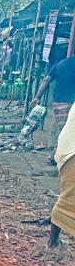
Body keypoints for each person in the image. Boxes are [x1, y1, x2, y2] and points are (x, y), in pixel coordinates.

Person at [31, 53, 75, 147]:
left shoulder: (59, 63)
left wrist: (37, 97)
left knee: (65, 130)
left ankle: (55, 155)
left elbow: (46, 81)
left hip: (59, 102)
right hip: (71, 102)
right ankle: (55, 156)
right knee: (67, 132)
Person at [49, 104, 75, 247]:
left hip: (68, 149)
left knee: (68, 198)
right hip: (72, 153)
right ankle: (52, 243)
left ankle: (53, 241)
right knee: (68, 199)